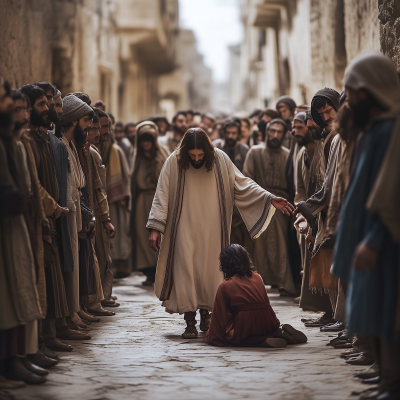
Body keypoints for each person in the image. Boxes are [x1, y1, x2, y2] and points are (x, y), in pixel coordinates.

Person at [146, 127, 294, 338]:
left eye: (200, 155)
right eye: (192, 155)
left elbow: (242, 184)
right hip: (182, 228)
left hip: (213, 228)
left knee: (210, 270)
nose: (197, 159)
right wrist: (156, 228)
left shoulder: (220, 159)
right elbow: (162, 193)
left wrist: (269, 198)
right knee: (185, 268)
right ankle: (189, 319)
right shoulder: (174, 161)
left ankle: (207, 315)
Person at [332, 52, 400, 400]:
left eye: (352, 92)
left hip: (387, 240)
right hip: (373, 240)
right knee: (378, 307)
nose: (349, 100)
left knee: (391, 310)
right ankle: (388, 379)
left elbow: (391, 193)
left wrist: (373, 239)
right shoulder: (370, 131)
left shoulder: (392, 131)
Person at [205, 245, 307, 347]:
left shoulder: (225, 286)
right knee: (264, 328)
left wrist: (212, 335)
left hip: (246, 322)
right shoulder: (257, 277)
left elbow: (220, 316)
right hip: (268, 319)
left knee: (234, 338)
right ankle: (279, 332)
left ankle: (263, 341)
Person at [243, 119, 298, 296]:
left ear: (284, 134)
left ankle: (283, 282)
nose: (275, 135)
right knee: (257, 247)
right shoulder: (255, 152)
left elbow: (293, 184)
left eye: (279, 132)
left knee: (281, 245)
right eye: (272, 131)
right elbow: (247, 179)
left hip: (282, 207)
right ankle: (255, 283)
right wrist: (263, 198)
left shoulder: (288, 154)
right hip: (260, 204)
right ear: (266, 132)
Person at [130, 121, 168, 286]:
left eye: (149, 140)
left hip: (158, 200)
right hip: (142, 202)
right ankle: (148, 271)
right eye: (143, 140)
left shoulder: (162, 156)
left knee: (160, 235)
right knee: (143, 237)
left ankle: (162, 270)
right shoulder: (137, 157)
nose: (146, 143)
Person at [213, 118, 250, 247]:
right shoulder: (215, 147)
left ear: (239, 134)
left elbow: (247, 177)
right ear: (223, 132)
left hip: (238, 202)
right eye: (228, 132)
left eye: (234, 133)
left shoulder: (245, 150)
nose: (230, 136)